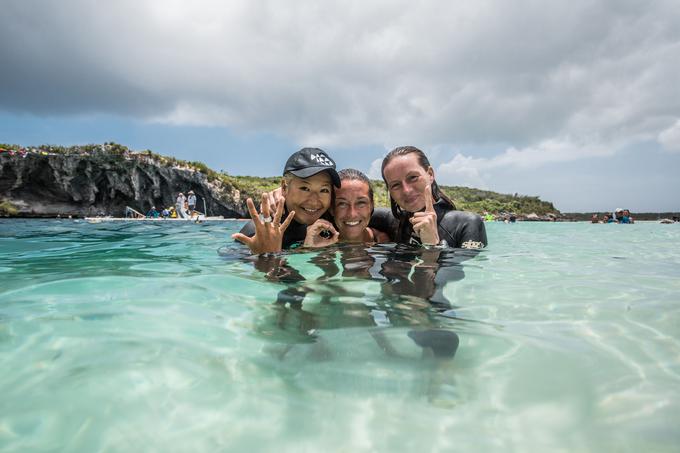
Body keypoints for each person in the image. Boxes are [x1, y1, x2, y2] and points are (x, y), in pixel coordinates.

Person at [370, 146, 487, 249]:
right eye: (395, 185)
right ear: (390, 191)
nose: (406, 190)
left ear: (430, 174)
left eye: (413, 177)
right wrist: (371, 234)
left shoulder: (466, 224)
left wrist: (432, 245)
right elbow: (355, 219)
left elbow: (470, 272)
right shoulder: (391, 220)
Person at [232, 148, 341, 254]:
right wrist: (268, 255)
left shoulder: (333, 219)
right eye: (304, 188)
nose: (314, 201)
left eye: (324, 190)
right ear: (284, 187)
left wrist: (307, 250)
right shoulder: (258, 232)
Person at [303, 168, 390, 247]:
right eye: (342, 204)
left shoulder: (387, 242)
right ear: (332, 209)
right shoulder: (316, 244)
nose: (352, 214)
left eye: (361, 203)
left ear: (371, 206)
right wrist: (309, 249)